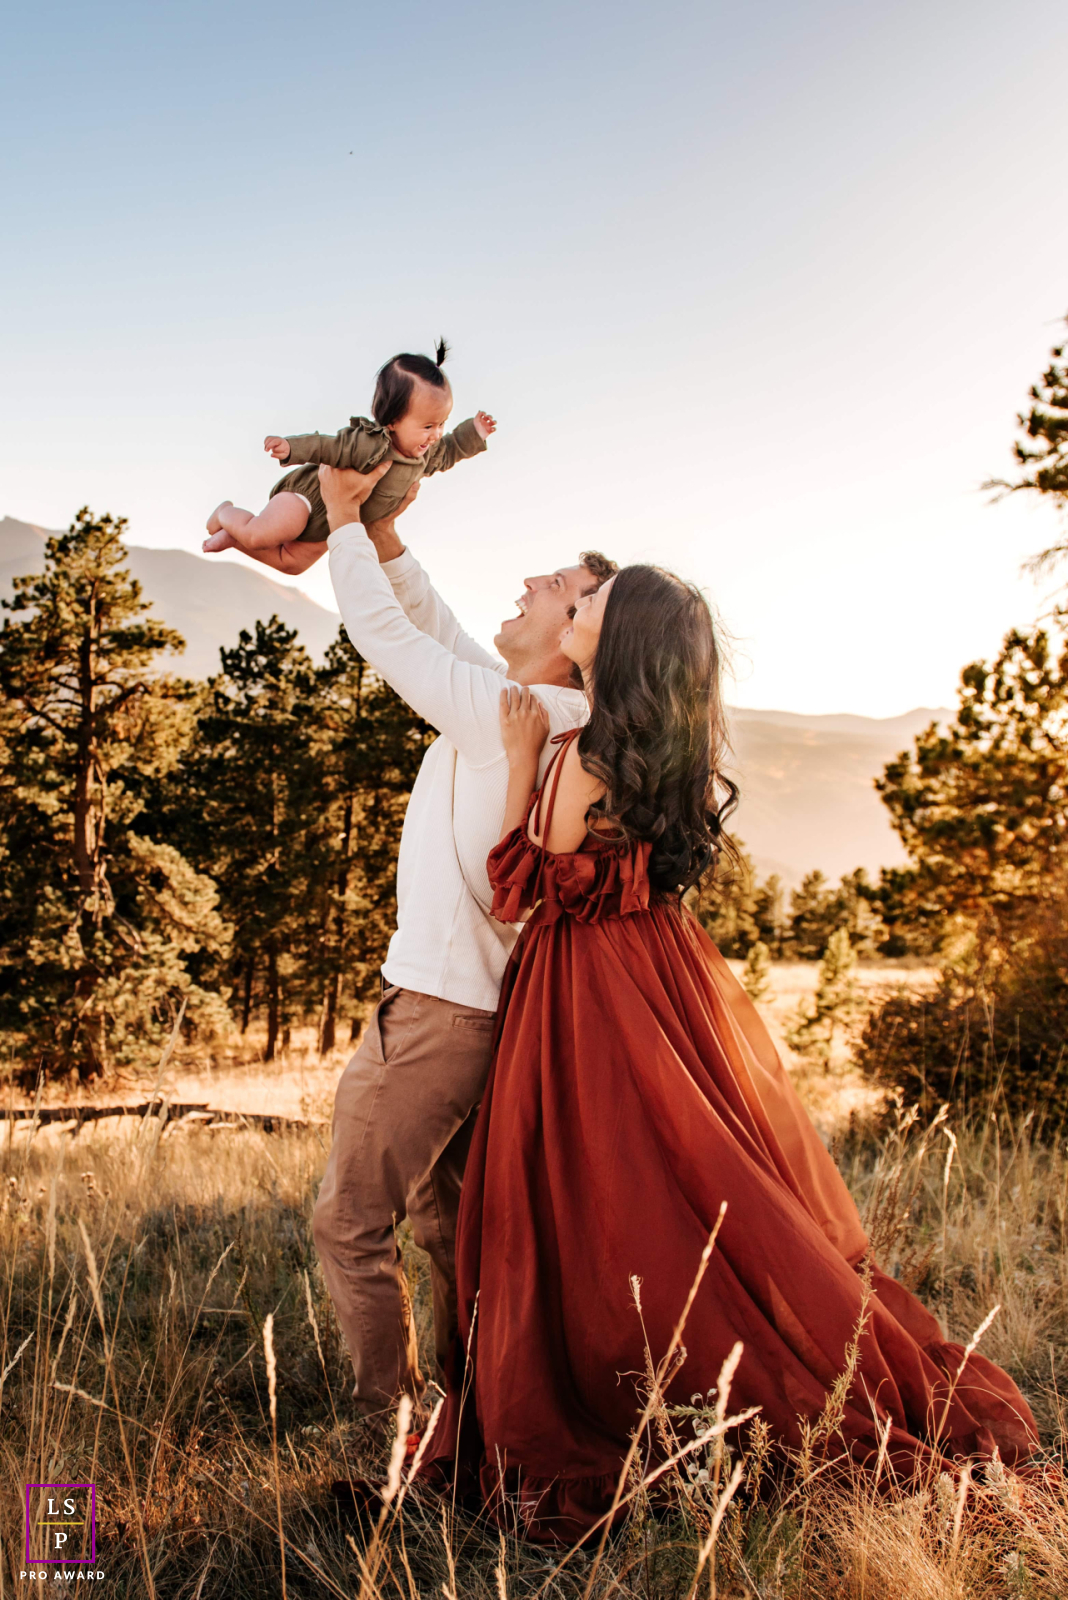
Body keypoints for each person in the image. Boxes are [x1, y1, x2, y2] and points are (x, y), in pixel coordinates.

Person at [420, 563, 1040, 1544]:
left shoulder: (579, 751)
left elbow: (522, 883)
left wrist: (517, 752)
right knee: (692, 1168)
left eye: (589, 605)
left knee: (593, 1184)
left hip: (585, 991)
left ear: (612, 643)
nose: (572, 608)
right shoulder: (651, 746)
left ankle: (620, 1367)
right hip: (661, 974)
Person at [275, 460, 616, 1441]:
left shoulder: (528, 713)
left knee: (349, 1220)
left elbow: (393, 642)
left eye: (553, 587)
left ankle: (392, 1428)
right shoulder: (535, 705)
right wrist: (384, 539)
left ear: (577, 635)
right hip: (470, 1011)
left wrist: (342, 523)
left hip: (438, 1014)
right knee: (447, 1225)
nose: (527, 586)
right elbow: (436, 631)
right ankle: (479, 1411)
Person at [203, 340, 495, 569]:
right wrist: (292, 447)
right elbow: (328, 446)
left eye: (442, 423)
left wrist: (474, 432)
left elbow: (450, 451)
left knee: (292, 564)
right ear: (392, 421)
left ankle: (232, 537)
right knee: (261, 535)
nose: (436, 434)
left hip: (333, 521)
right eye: (428, 425)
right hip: (308, 499)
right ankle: (225, 512)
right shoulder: (371, 443)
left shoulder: (425, 457)